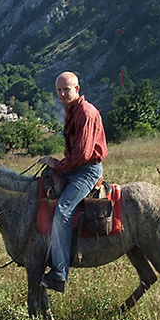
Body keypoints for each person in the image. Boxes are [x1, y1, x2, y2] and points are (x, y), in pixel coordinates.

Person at [37, 71, 107, 293]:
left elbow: (83, 155)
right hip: (75, 168)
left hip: (86, 171)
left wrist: (56, 164)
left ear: (77, 89)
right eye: (59, 90)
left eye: (66, 89)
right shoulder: (71, 110)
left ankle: (59, 274)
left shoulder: (85, 112)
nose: (62, 94)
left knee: (63, 211)